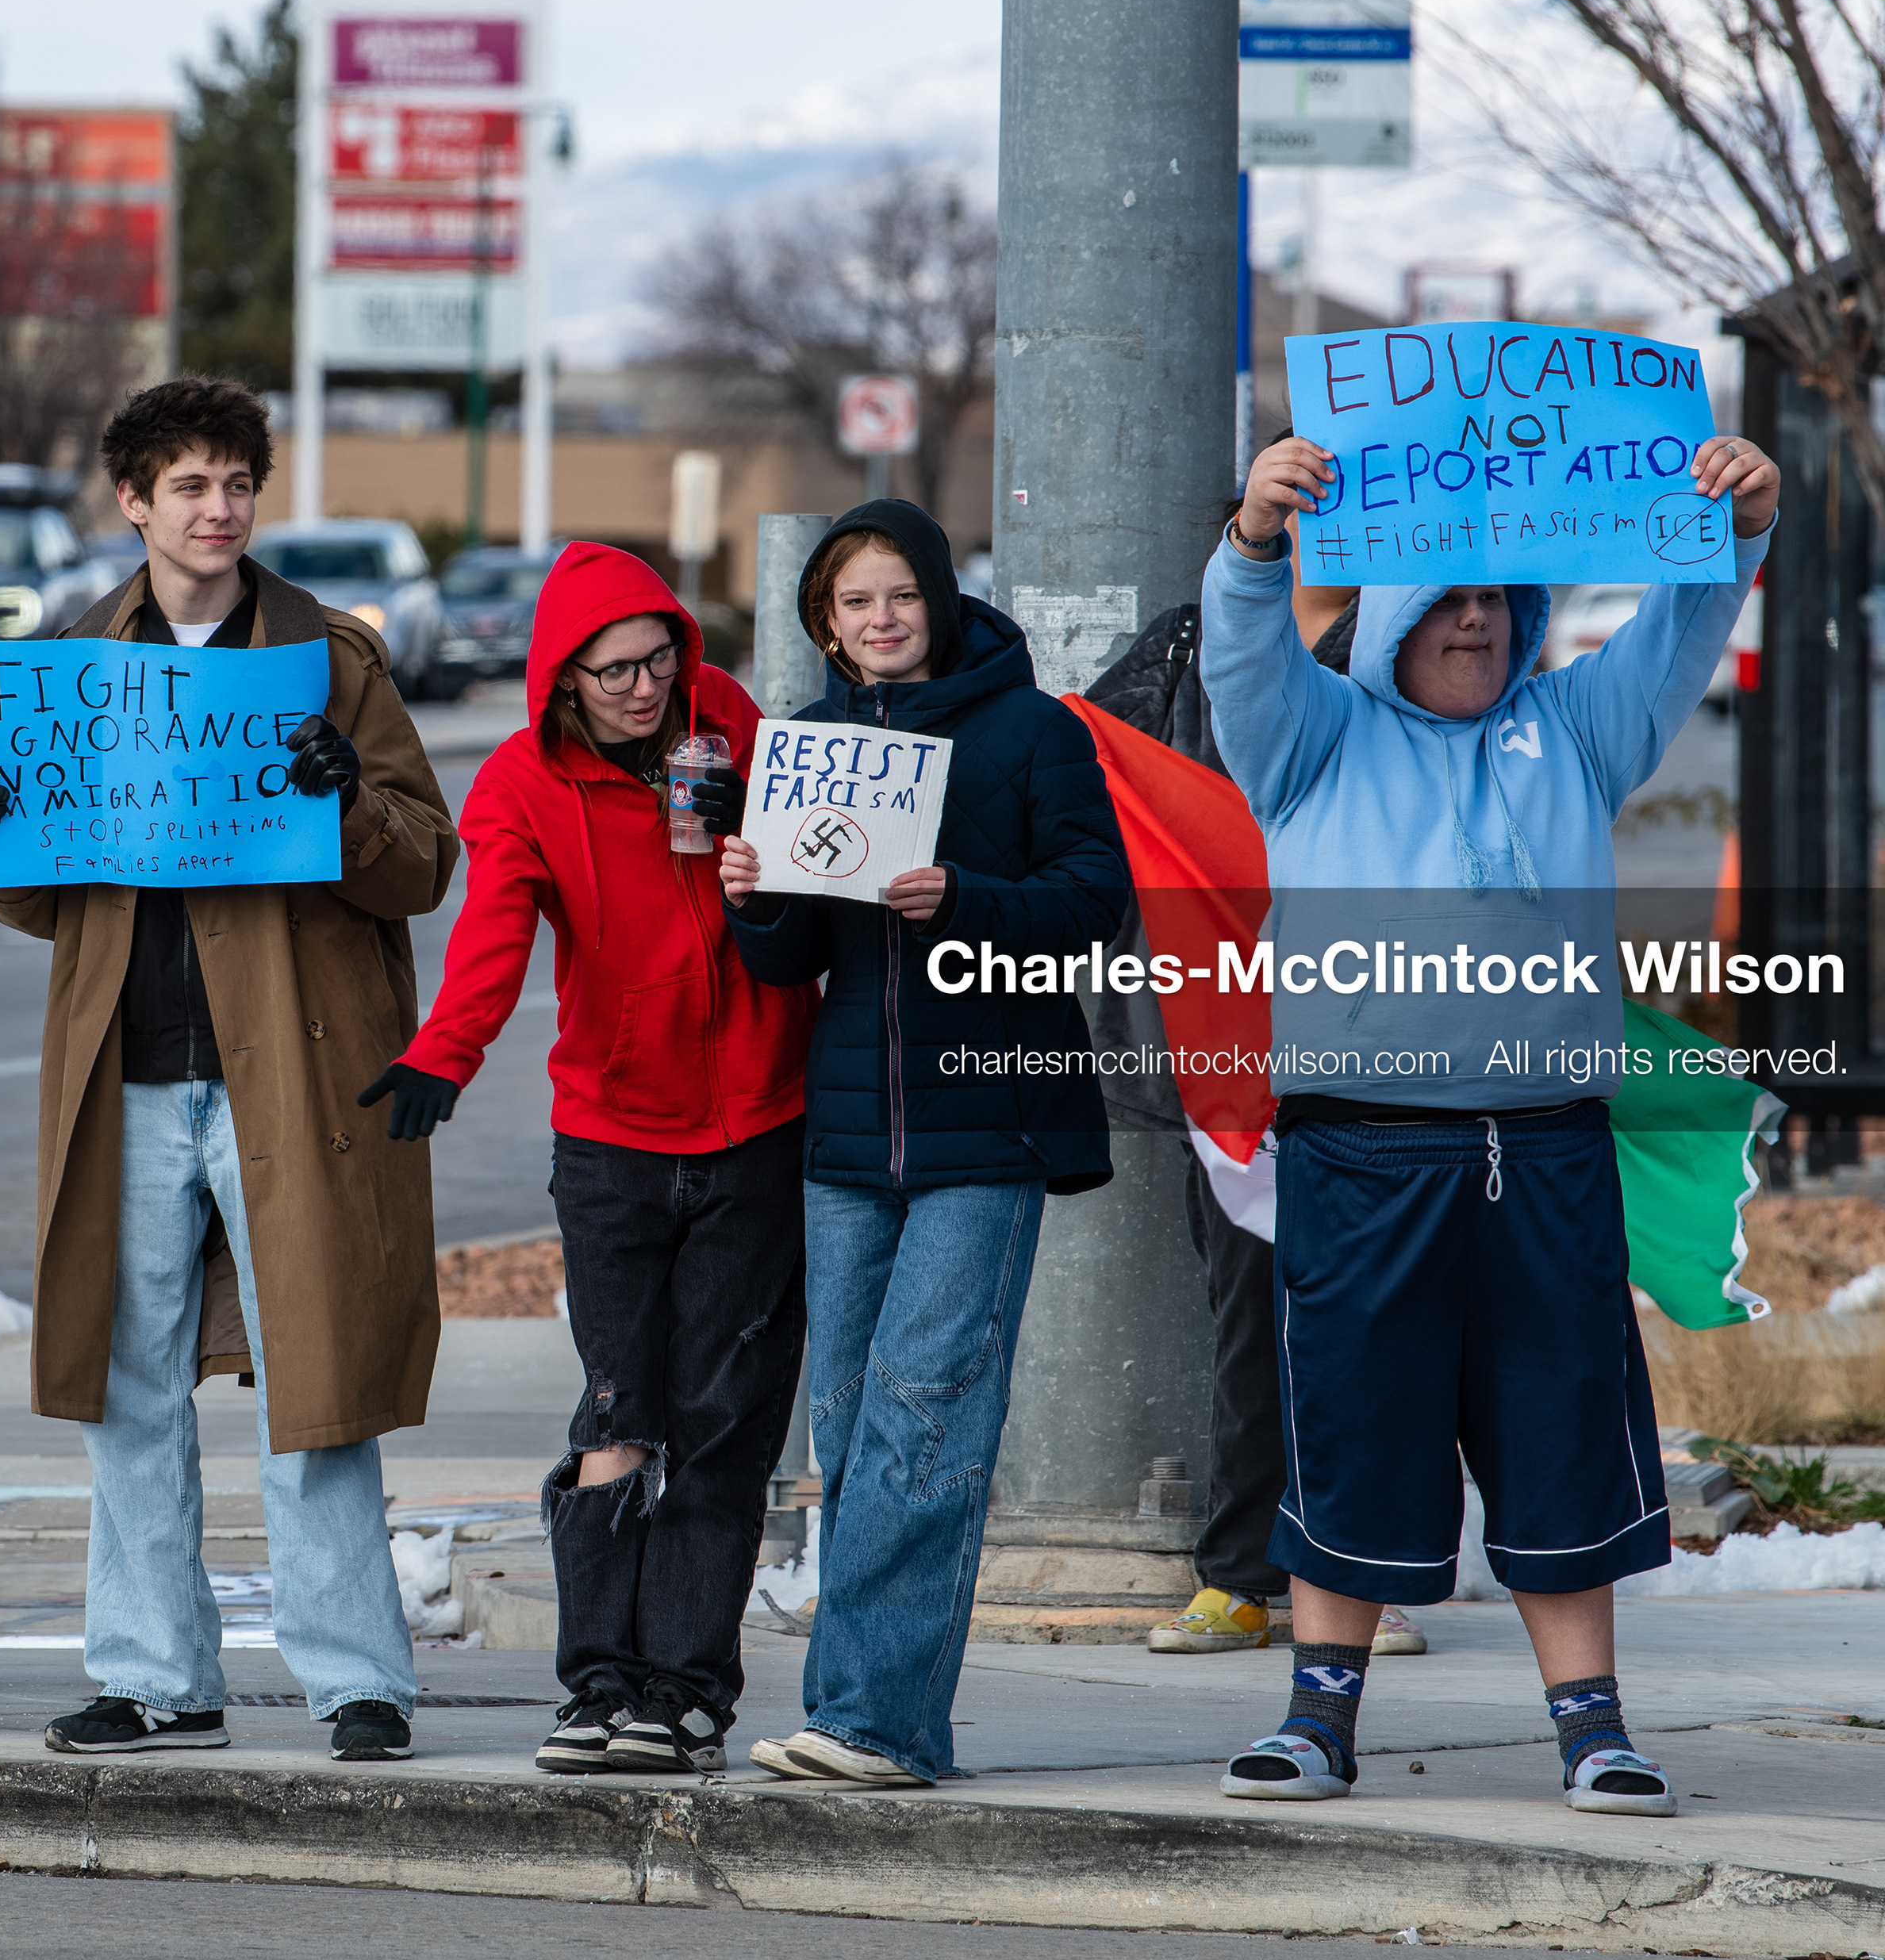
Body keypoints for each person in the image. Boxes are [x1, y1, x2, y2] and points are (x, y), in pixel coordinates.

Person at [1197, 430, 1778, 1818]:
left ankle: (1595, 1731)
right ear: (1392, 610)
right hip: (1363, 1153)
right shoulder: (1312, 739)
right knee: (1353, 1426)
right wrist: (1254, 542)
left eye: (1499, 600)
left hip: (1548, 1156)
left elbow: (1680, 623)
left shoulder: (1578, 730)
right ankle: (1315, 1724)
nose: (1476, 618)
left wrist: (1739, 528)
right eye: (1448, 597)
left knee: (1559, 1427)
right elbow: (1245, 657)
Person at [0, 378, 459, 1764]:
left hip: (287, 1076)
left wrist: (344, 795)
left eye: (236, 482)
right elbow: (45, 906)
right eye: (189, 485)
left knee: (318, 1376)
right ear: (133, 503)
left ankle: (361, 1678)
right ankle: (152, 1676)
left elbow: (424, 864)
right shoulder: (73, 661)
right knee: (128, 1387)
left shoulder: (330, 657)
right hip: (125, 1074)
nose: (219, 508)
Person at [363, 543, 813, 1777]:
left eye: (659, 659)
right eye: (613, 671)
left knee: (725, 1424)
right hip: (614, 1136)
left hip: (761, 1124)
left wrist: (759, 835)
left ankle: (685, 1695)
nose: (642, 689)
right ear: (562, 678)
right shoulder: (519, 785)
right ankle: (598, 1683)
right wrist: (439, 1061)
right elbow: (496, 937)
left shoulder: (735, 730)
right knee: (621, 1413)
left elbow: (825, 877)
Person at [720, 499, 1128, 1787]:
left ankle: (875, 1724)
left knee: (923, 1424)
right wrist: (755, 895)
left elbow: (1095, 905)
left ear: (941, 600)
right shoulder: (812, 746)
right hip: (846, 1142)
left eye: (900, 595)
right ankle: (860, 1714)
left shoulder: (1033, 731)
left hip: (986, 1126)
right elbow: (790, 962)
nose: (881, 620)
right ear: (826, 628)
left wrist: (969, 898)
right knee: (845, 1429)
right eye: (853, 603)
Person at [1082, 517, 1426, 1663]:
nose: (1315, 525)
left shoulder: (1414, 639)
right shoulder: (1187, 646)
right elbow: (1084, 766)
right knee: (1249, 1318)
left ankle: (1371, 1574)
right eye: (1289, 503)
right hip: (1223, 1038)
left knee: (1383, 1321)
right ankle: (1239, 1575)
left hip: (1377, 1030)